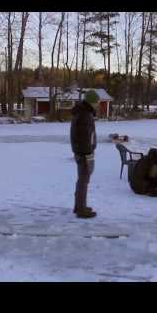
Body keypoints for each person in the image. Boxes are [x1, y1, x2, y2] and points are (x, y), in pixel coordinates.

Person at [70, 90, 100, 218]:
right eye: (97, 102)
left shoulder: (83, 113)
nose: (98, 105)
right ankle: (81, 209)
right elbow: (85, 137)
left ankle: (79, 206)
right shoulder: (85, 115)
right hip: (84, 153)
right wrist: (88, 152)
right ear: (91, 102)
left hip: (81, 151)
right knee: (83, 181)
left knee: (82, 180)